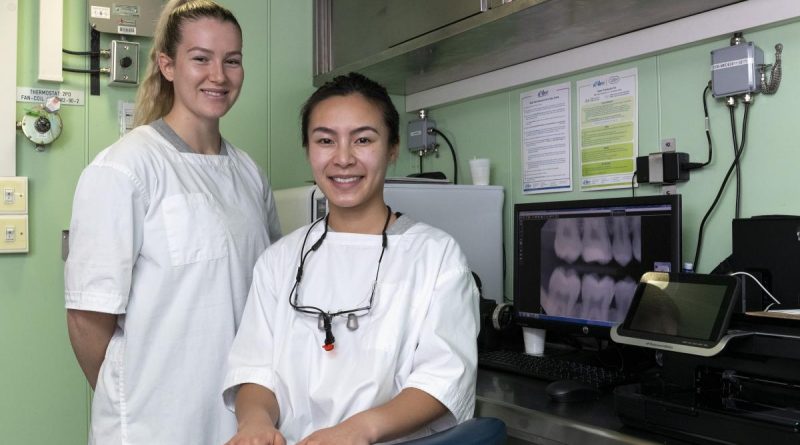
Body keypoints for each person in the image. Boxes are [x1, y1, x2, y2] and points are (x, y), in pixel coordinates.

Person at [64, 1, 281, 443]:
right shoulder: (125, 169)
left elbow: (266, 296)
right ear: (167, 64)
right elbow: (88, 319)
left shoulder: (248, 174)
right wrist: (130, 395)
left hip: (240, 421)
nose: (218, 75)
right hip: (151, 423)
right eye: (200, 58)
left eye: (232, 60)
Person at [222, 73, 479, 445]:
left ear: (392, 148)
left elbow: (442, 380)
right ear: (308, 149)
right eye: (325, 140)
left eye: (363, 140)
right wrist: (255, 423)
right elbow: (255, 370)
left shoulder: (435, 256)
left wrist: (357, 431)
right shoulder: (279, 261)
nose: (343, 158)